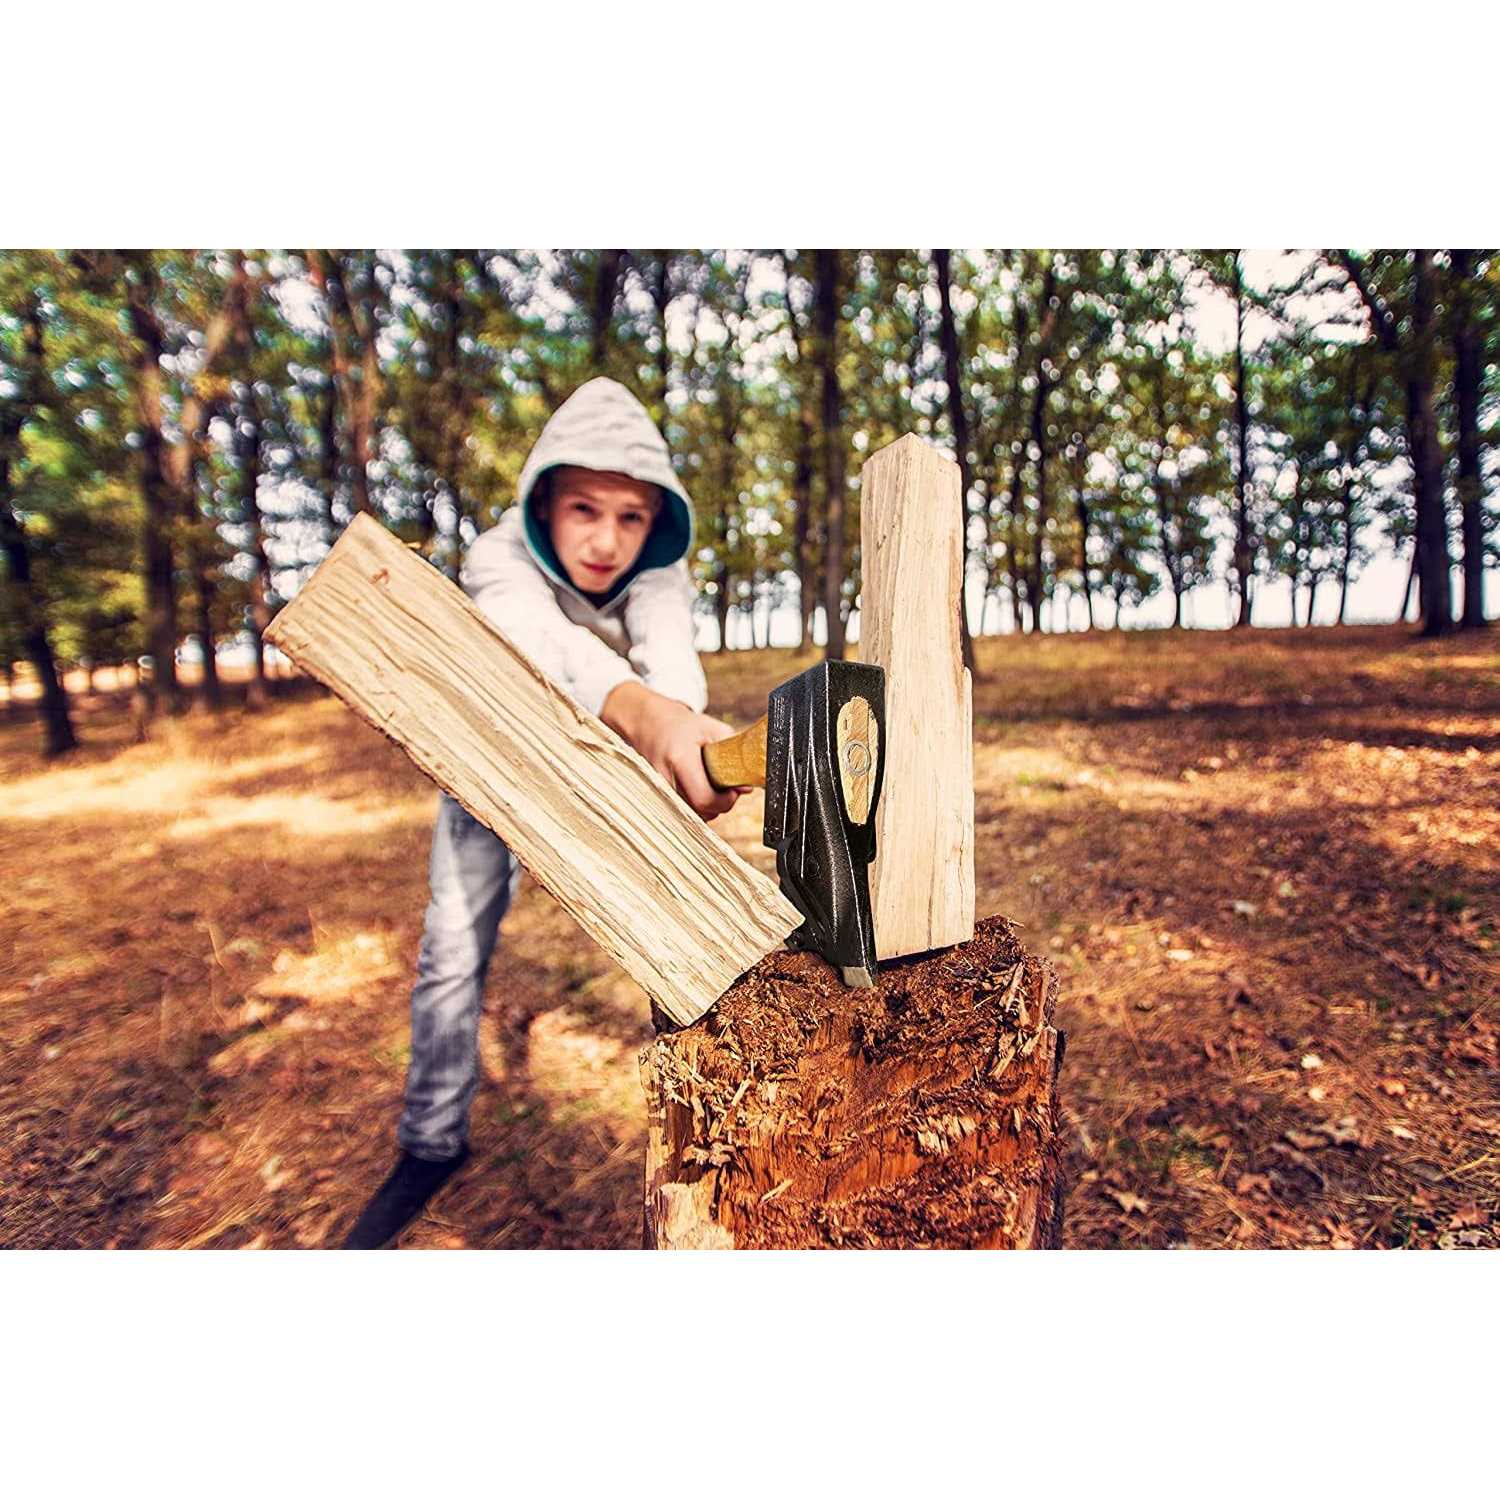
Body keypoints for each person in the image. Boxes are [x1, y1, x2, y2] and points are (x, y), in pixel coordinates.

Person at [343, 378, 740, 1248]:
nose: (606, 540)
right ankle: (430, 1141)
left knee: (685, 935)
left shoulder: (657, 573)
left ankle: (721, 1139)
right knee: (453, 949)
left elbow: (671, 655)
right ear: (545, 503)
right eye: (584, 509)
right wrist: (646, 714)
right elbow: (541, 644)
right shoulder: (498, 557)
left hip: (605, 769)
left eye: (632, 517)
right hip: (487, 760)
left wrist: (679, 735)